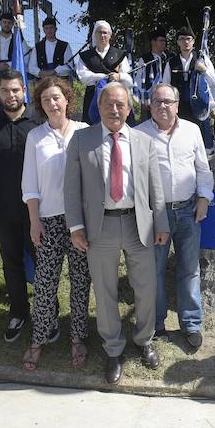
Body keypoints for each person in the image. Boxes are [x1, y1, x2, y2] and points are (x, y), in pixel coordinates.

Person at [64, 82, 169, 384]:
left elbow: (155, 187)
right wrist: (76, 226)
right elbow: (71, 188)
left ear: (130, 108)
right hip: (100, 227)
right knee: (106, 290)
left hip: (139, 225)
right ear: (98, 107)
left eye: (120, 104)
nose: (114, 109)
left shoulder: (143, 141)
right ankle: (113, 349)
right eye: (108, 103)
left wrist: (161, 224)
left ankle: (144, 340)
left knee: (146, 287)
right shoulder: (82, 140)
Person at [20, 77, 92, 371]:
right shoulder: (35, 137)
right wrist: (34, 221)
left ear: (67, 100)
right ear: (41, 104)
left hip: (80, 222)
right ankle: (39, 338)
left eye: (57, 97)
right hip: (47, 220)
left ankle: (78, 338)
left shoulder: (85, 132)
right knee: (45, 283)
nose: (52, 103)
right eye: (46, 99)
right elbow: (30, 184)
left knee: (80, 281)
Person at [136, 83, 214, 347]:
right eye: (157, 102)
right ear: (150, 105)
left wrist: (204, 198)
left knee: (189, 269)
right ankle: (156, 324)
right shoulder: (138, 134)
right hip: (155, 214)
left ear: (177, 105)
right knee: (154, 271)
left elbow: (203, 170)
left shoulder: (192, 131)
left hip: (188, 210)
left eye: (167, 101)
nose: (162, 107)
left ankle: (191, 324)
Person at [0, 69, 38, 342]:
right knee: (11, 263)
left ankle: (47, 312)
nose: (10, 95)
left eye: (15, 90)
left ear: (24, 90)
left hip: (37, 210)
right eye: (5, 90)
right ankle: (19, 312)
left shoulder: (40, 120)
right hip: (3, 209)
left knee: (43, 263)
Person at [163, 26, 215, 148]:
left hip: (199, 107)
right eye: (182, 39)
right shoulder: (171, 63)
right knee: (180, 142)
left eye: (188, 39)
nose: (185, 42)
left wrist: (204, 70)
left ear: (193, 41)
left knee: (201, 143)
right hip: (178, 108)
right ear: (177, 42)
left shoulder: (203, 59)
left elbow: (214, 81)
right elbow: (165, 86)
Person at [76, 20, 132, 123]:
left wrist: (119, 76)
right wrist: (102, 77)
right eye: (99, 32)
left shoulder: (119, 55)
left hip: (116, 95)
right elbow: (83, 76)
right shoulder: (86, 56)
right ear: (94, 34)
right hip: (92, 96)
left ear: (110, 36)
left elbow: (129, 79)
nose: (102, 35)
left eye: (105, 32)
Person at [0, 10, 31, 116]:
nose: (7, 25)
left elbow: (25, 58)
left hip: (14, 76)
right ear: (0, 23)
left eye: (9, 23)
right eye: (4, 22)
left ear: (13, 24)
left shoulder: (19, 40)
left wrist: (10, 65)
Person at [134, 26, 172, 122]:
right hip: (150, 100)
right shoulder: (145, 59)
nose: (164, 43)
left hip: (166, 99)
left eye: (165, 41)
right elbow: (139, 80)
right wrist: (143, 101)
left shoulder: (170, 58)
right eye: (161, 41)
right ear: (153, 42)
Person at [27, 14, 74, 81]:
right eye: (46, 28)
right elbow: (31, 67)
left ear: (56, 29)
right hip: (42, 81)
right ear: (43, 30)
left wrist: (55, 71)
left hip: (60, 81)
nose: (49, 30)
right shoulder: (37, 47)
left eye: (51, 28)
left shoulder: (65, 46)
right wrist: (41, 73)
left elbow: (69, 66)